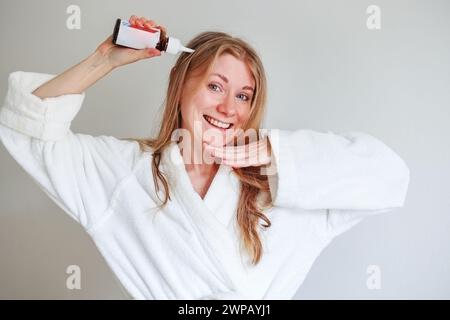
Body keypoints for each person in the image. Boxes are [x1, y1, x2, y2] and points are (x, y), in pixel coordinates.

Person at [0, 15, 410, 299]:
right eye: (215, 86)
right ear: (182, 87)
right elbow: (28, 131)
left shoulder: (282, 181)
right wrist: (104, 60)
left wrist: (277, 152)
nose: (229, 108)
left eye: (243, 96)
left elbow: (389, 176)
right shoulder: (124, 173)